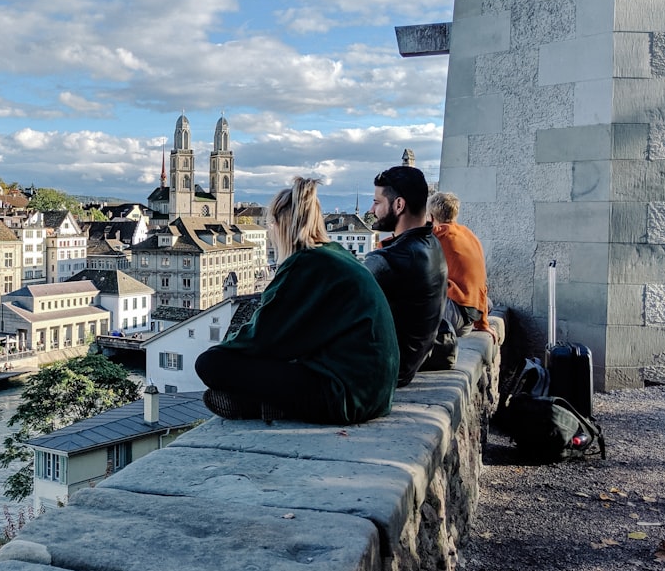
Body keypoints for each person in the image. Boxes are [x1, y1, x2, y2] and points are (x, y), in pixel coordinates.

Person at [195, 177, 399, 424]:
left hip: (345, 396)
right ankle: (263, 404)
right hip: (373, 392)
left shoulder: (304, 265)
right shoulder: (335, 255)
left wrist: (225, 347)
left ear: (281, 224)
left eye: (271, 223)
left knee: (210, 363)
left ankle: (261, 405)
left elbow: (261, 337)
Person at [364, 165, 447, 387]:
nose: (372, 209)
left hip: (386, 369)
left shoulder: (391, 259)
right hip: (408, 364)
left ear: (399, 205)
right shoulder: (432, 244)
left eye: (377, 202)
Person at [426, 191, 491, 336]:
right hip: (473, 313)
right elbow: (482, 284)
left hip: (453, 319)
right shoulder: (469, 235)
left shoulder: (437, 234)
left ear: (430, 217)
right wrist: (483, 324)